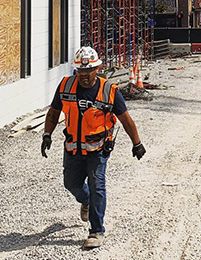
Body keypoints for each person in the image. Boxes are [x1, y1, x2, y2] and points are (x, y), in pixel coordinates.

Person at [40, 46, 146, 250]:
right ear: (76, 71)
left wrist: (137, 143)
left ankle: (96, 231)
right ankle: (85, 200)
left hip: (98, 149)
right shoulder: (65, 86)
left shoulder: (109, 91)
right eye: (81, 72)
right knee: (71, 184)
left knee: (98, 185)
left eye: (89, 71)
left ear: (97, 68)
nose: (85, 76)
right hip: (72, 148)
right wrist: (47, 135)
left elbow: (125, 119)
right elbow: (53, 113)